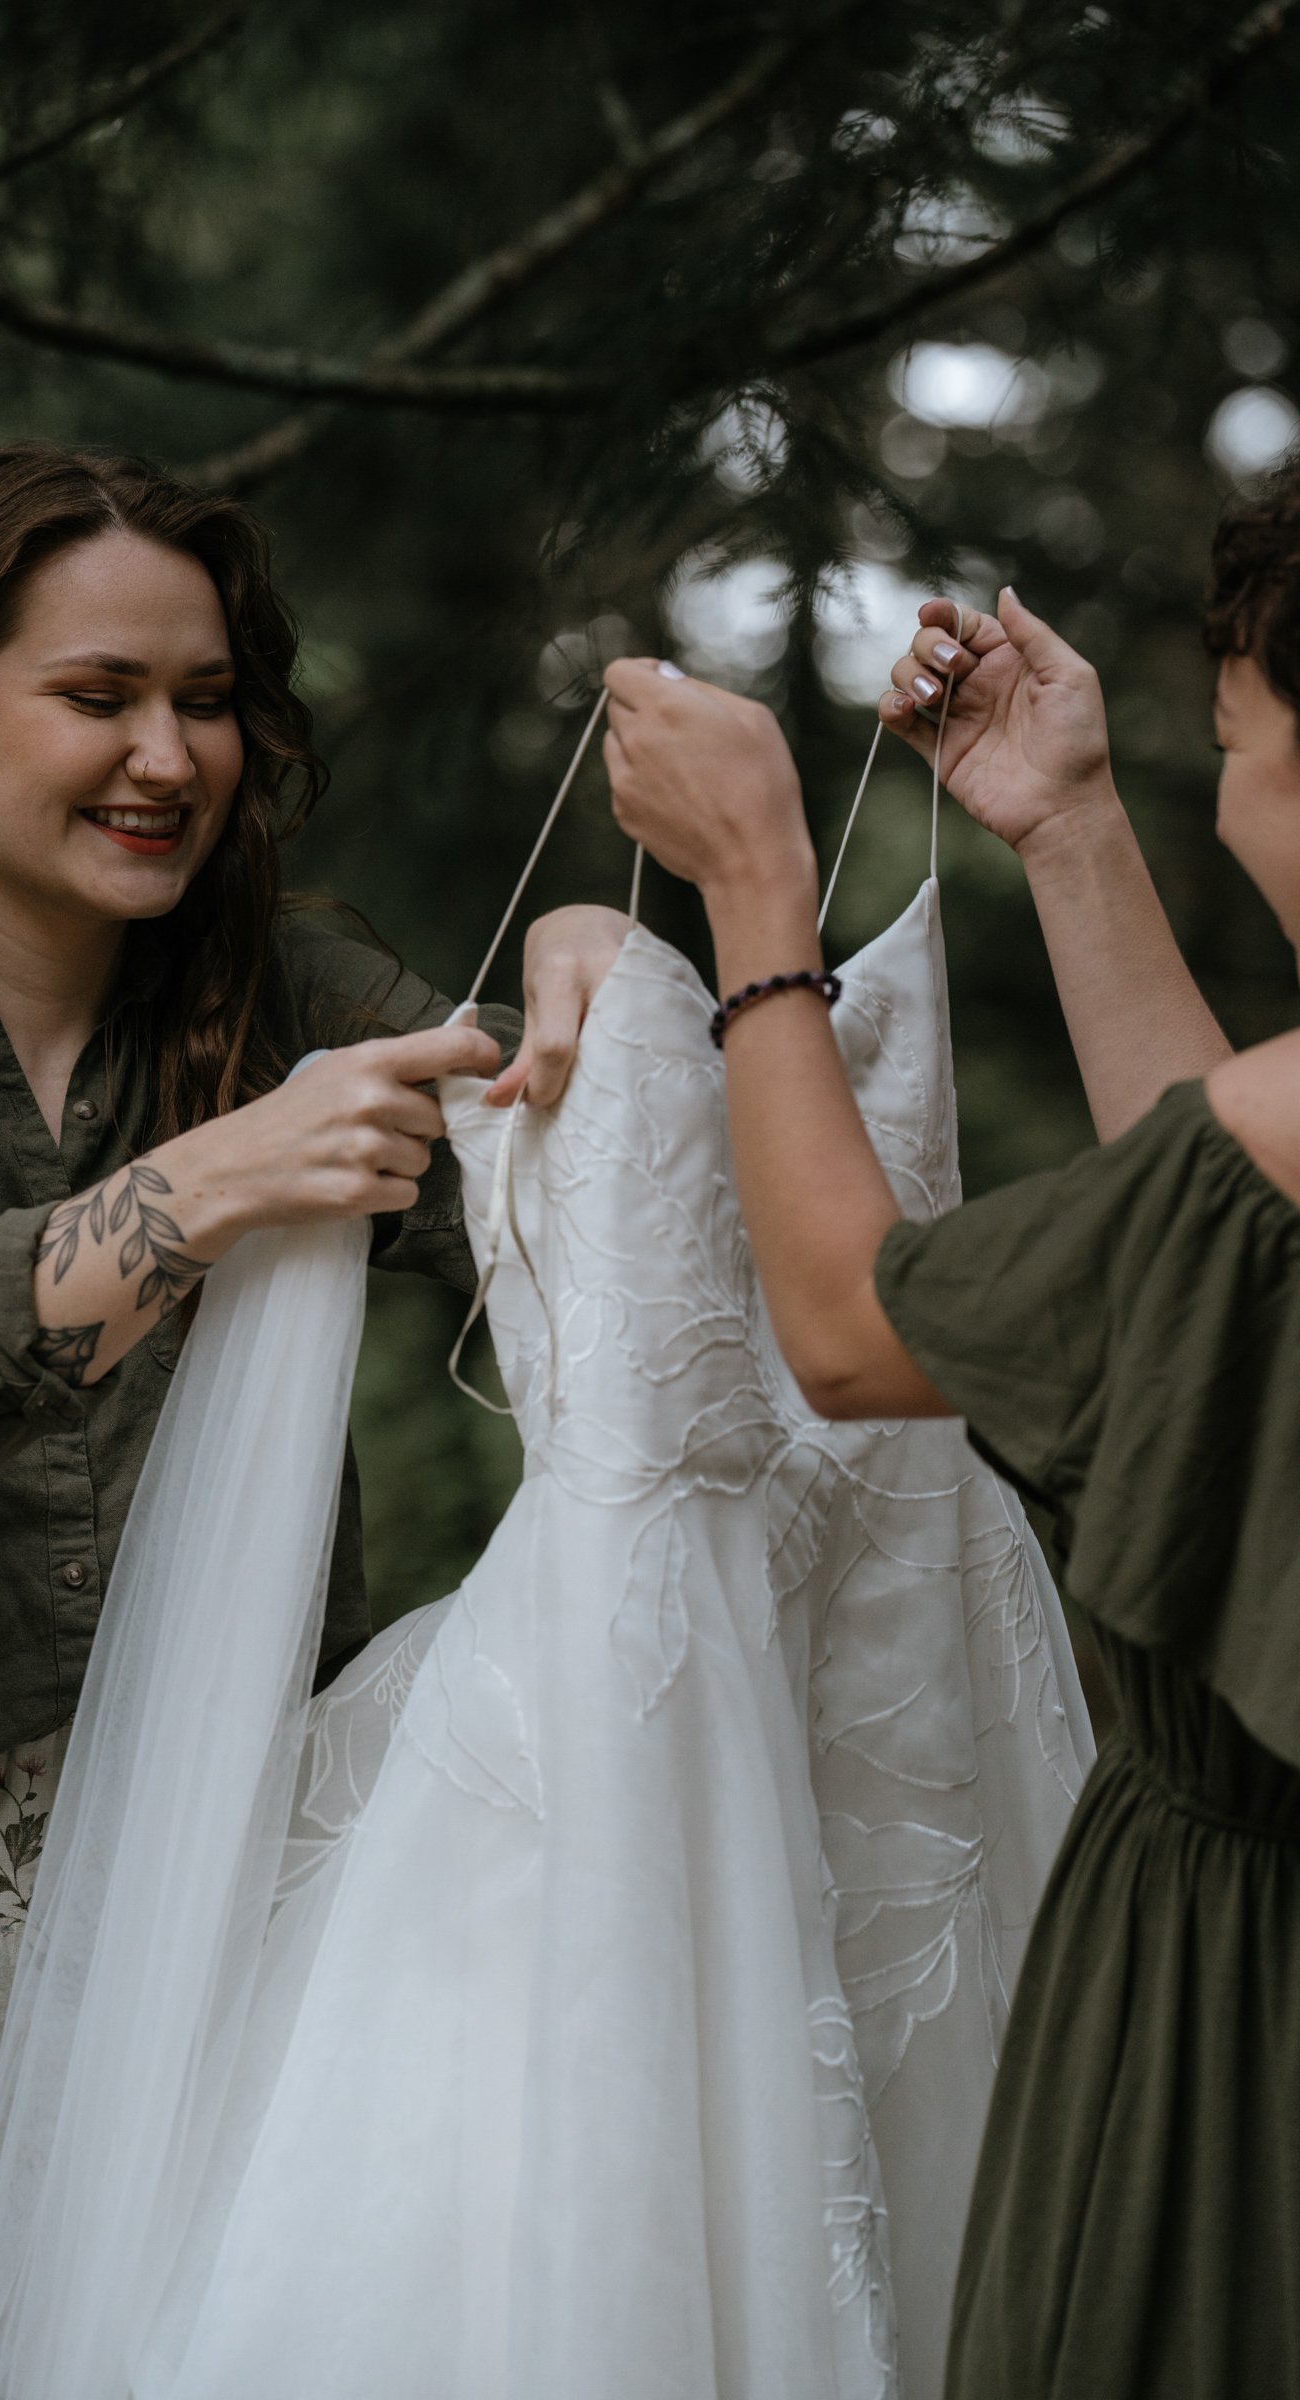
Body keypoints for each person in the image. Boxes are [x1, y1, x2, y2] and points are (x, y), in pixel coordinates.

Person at [0, 440, 624, 2396]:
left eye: (204, 702)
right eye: (97, 696)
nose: (167, 758)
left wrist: (584, 984)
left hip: (222, 1886)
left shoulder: (283, 985)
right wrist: (222, 1178)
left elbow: (576, 1232)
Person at [601, 472, 1300, 2399]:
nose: (1228, 793)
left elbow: (840, 1326)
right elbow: (1218, 1227)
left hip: (1245, 2002)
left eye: (1237, 744)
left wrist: (753, 890)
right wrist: (1068, 826)